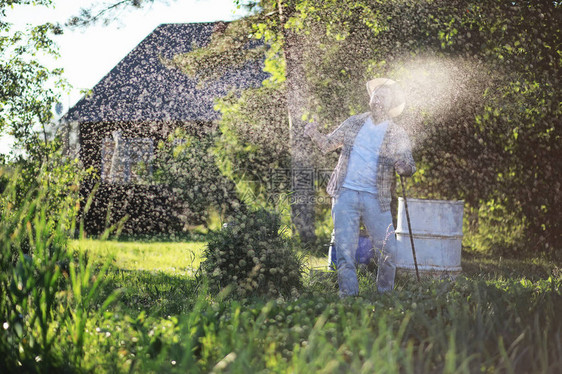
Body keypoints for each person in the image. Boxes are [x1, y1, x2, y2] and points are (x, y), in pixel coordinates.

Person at [305, 78, 416, 296]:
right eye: (375, 96)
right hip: (345, 193)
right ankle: (349, 296)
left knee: (388, 250)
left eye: (383, 97)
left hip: (377, 198)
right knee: (345, 250)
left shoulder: (397, 133)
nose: (377, 100)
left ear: (391, 104)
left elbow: (409, 165)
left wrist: (404, 168)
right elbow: (328, 144)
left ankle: (385, 294)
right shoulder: (354, 122)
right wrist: (313, 132)